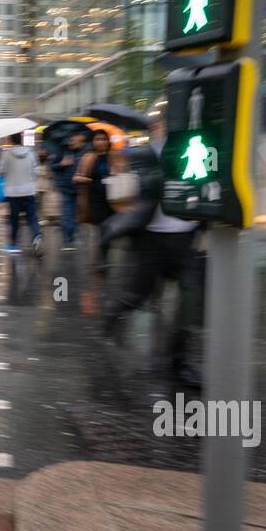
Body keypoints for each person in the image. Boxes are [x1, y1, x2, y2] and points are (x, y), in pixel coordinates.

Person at [99, 114, 204, 388]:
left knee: (190, 303)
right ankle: (109, 324)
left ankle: (179, 362)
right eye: (162, 125)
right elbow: (130, 187)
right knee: (136, 296)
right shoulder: (145, 154)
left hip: (185, 238)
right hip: (151, 239)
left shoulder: (199, 149)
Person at [75, 129, 118, 267]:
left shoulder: (114, 157)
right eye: (98, 139)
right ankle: (102, 258)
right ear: (93, 141)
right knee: (100, 227)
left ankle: (103, 256)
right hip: (93, 198)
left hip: (113, 198)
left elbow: (124, 173)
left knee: (108, 228)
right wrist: (86, 180)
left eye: (103, 139)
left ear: (108, 141)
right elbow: (76, 177)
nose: (101, 142)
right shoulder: (88, 157)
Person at [0, 133, 41, 255]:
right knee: (32, 217)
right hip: (29, 190)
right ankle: (37, 235)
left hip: (12, 192)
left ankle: (13, 244)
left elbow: (0, 171)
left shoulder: (6, 154)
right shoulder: (31, 153)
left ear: (10, 140)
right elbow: (36, 172)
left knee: (14, 219)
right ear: (21, 139)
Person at [53, 131, 87, 250]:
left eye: (75, 140)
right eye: (71, 140)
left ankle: (72, 232)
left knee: (77, 213)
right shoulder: (62, 151)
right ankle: (68, 239)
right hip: (66, 187)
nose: (73, 142)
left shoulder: (84, 152)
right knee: (68, 212)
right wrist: (62, 164)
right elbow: (53, 167)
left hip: (80, 187)